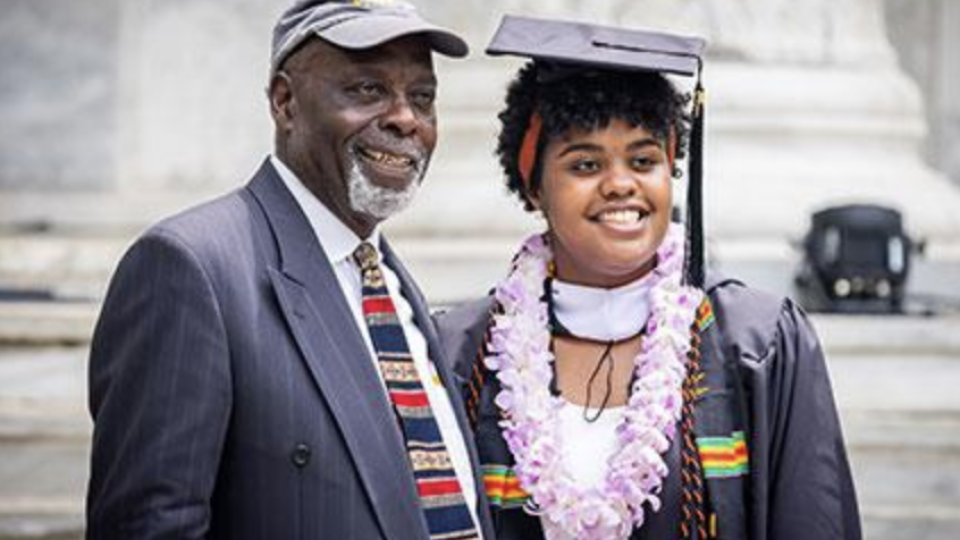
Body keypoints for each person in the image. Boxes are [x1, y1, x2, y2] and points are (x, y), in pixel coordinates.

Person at [436, 15, 862, 540]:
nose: (621, 184)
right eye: (585, 165)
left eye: (643, 160)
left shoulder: (756, 342)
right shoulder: (464, 353)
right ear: (534, 187)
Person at [85, 1, 494, 539]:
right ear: (285, 102)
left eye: (422, 97)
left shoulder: (390, 283)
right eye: (367, 89)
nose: (405, 118)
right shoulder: (190, 267)